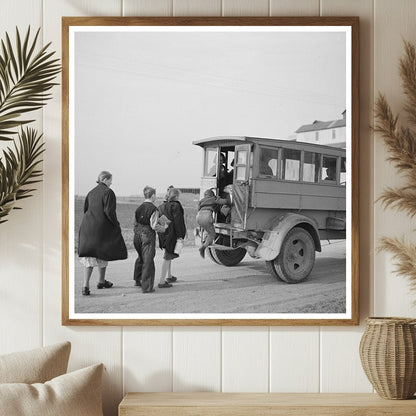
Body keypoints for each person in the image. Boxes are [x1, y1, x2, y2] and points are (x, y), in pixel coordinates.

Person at [78, 171, 127, 296]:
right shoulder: (108, 192)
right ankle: (100, 281)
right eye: (110, 180)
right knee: (103, 253)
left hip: (87, 227)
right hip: (101, 227)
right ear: (105, 179)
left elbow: (85, 210)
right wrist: (116, 224)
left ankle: (86, 285)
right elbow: (109, 211)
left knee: (90, 256)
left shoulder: (90, 192)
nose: (111, 182)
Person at [157, 188, 186, 288]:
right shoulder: (176, 206)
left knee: (168, 255)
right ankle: (161, 281)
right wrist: (180, 235)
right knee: (167, 257)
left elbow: (160, 221)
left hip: (163, 234)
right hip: (172, 235)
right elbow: (178, 222)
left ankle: (169, 276)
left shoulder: (161, 206)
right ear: (176, 196)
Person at [133, 186, 159, 293]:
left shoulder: (138, 208)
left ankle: (137, 280)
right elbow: (154, 226)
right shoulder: (154, 209)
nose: (156, 197)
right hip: (147, 234)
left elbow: (134, 223)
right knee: (148, 260)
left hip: (137, 235)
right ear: (152, 195)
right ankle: (147, 287)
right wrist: (164, 228)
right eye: (155, 195)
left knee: (140, 257)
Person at [196, 189, 229, 258]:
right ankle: (203, 247)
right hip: (207, 216)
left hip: (199, 216)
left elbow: (198, 208)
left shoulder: (201, 200)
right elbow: (225, 201)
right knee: (212, 234)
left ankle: (206, 241)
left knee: (207, 229)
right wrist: (218, 198)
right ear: (212, 194)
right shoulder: (213, 199)